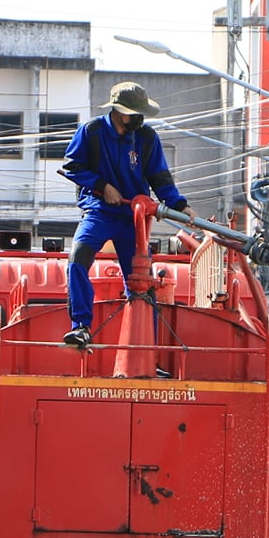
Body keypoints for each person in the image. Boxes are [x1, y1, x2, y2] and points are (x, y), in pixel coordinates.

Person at [57, 81, 188, 350]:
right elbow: (72, 165)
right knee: (77, 260)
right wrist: (102, 186)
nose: (139, 119)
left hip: (133, 218)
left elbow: (160, 177)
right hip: (99, 211)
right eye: (133, 113)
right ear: (117, 111)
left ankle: (146, 348)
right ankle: (81, 326)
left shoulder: (147, 137)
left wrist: (179, 204)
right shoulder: (91, 132)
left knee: (142, 282)